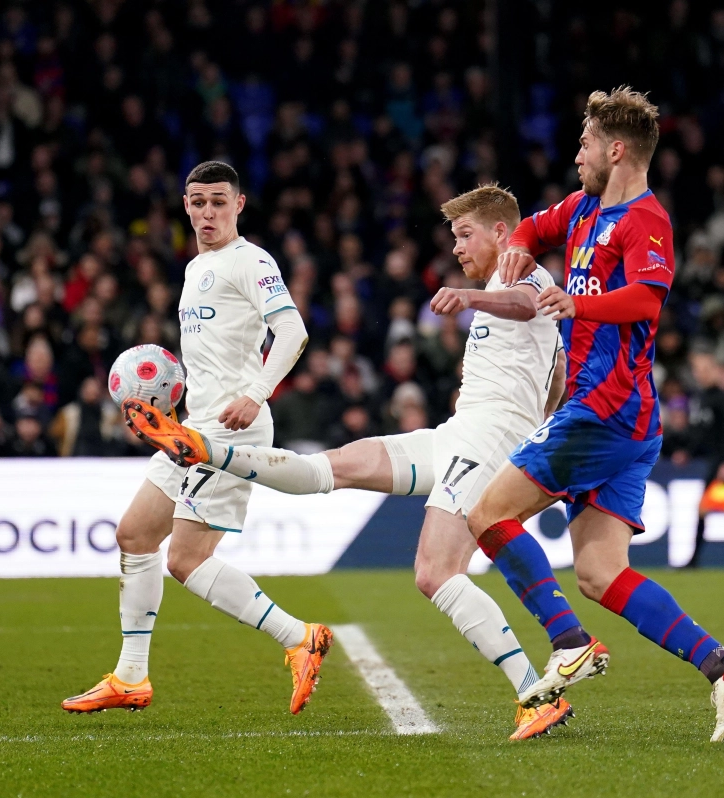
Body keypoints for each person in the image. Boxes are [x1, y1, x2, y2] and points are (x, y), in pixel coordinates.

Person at [124, 184, 574, 741]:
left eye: (465, 235)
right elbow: (558, 369)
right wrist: (542, 421)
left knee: (435, 573)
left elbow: (529, 303)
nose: (457, 248)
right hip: (459, 435)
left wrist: (470, 300)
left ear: (501, 232)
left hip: (486, 441)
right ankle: (209, 451)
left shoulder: (518, 271)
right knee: (334, 468)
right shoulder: (503, 283)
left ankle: (535, 692)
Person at [468, 87, 724, 743]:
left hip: (606, 410)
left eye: (584, 145)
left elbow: (645, 300)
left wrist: (581, 308)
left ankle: (569, 642)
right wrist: (517, 244)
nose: (576, 157)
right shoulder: (581, 209)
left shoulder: (644, 221)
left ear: (616, 149)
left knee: (487, 515)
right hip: (624, 419)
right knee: (602, 574)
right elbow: (533, 225)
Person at [62, 161, 330, 715]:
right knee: (134, 535)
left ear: (239, 204)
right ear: (185, 205)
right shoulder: (196, 268)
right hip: (194, 427)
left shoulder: (251, 262)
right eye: (197, 201)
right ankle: (131, 677)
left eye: (217, 201)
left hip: (235, 428)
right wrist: (167, 416)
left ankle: (299, 638)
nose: (207, 212)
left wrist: (255, 392)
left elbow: (294, 331)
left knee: (186, 559)